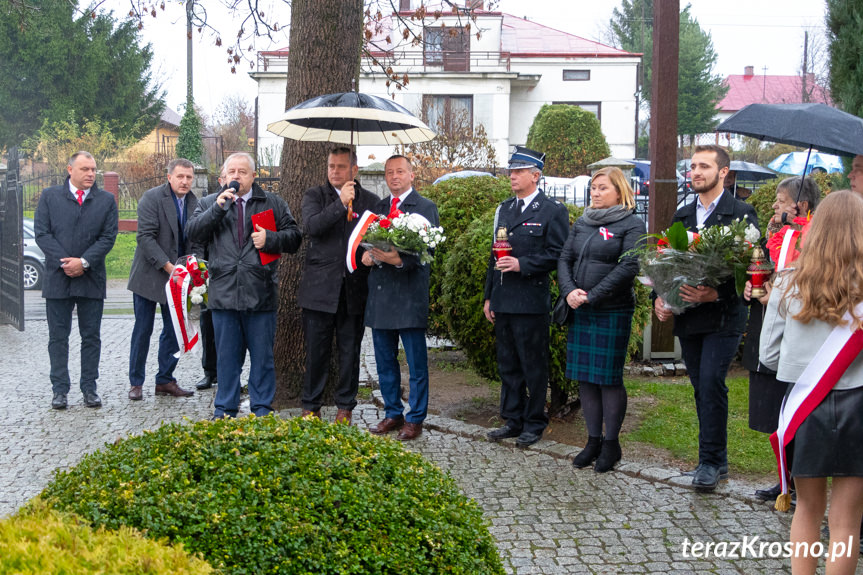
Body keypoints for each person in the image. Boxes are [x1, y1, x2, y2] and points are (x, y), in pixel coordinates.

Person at [760, 191, 863, 575]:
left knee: (807, 508)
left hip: (806, 407)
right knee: (847, 520)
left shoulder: (787, 281)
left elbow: (768, 357)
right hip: (860, 404)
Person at [653, 145, 758, 492]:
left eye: (703, 166)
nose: (695, 172)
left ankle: (711, 463)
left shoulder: (741, 213)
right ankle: (712, 460)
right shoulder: (682, 216)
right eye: (692, 166)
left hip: (724, 316)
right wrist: (662, 298)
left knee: (713, 382)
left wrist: (716, 293)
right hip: (690, 317)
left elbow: (752, 268)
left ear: (723, 172)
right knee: (701, 386)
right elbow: (669, 265)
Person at [186, 152, 302, 418]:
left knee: (262, 359)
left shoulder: (272, 203)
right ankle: (225, 408)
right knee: (227, 358)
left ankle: (261, 408)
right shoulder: (208, 203)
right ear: (224, 177)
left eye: (242, 172)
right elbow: (193, 233)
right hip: (224, 294)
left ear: (253, 176)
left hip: (260, 293)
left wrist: (271, 238)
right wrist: (217, 208)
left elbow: (295, 237)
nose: (236, 176)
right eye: (231, 172)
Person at [557, 167, 645, 472]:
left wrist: (592, 295)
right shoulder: (582, 222)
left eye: (602, 188)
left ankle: (611, 444)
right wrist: (569, 291)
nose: (595, 193)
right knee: (586, 379)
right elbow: (564, 258)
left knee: (608, 379)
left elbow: (629, 266)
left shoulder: (632, 223)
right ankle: (592, 440)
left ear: (619, 192)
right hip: (580, 308)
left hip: (612, 310)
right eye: (593, 188)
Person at [483, 146, 569, 448]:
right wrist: (489, 296)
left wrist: (523, 265)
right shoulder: (504, 209)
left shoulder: (552, 211)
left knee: (533, 365)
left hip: (531, 301)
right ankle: (513, 419)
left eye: (519, 171)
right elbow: (493, 256)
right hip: (504, 298)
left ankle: (534, 423)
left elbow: (558, 254)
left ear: (536, 175)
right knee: (508, 364)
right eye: (511, 171)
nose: (512, 176)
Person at [744, 176, 820, 502]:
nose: (774, 205)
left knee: (798, 407)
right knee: (780, 409)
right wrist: (753, 288)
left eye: (780, 199)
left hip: (800, 332)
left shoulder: (814, 236)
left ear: (800, 206)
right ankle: (784, 478)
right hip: (772, 325)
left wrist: (777, 297)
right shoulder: (777, 234)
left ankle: (803, 483)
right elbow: (765, 270)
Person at [298, 147, 379, 424]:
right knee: (317, 352)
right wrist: (340, 203)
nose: (334, 171)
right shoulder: (314, 196)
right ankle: (311, 405)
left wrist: (373, 255)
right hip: (319, 290)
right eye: (331, 166)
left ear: (354, 170)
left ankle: (345, 405)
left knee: (349, 351)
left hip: (354, 290)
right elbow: (312, 227)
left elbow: (378, 236)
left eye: (341, 167)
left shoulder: (371, 201)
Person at [363, 155, 439, 441]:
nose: (394, 176)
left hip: (409, 295)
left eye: (400, 171)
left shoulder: (425, 207)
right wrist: (369, 255)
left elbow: (427, 254)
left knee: (416, 363)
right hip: (381, 295)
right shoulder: (379, 209)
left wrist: (398, 260)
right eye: (389, 172)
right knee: (384, 361)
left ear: (411, 175)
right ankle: (392, 412)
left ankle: (415, 417)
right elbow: (365, 242)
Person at [34, 151, 118, 409]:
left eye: (93, 169)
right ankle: (59, 390)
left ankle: (89, 388)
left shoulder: (106, 200)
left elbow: (108, 237)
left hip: (91, 278)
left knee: (91, 336)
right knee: (58, 338)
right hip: (58, 279)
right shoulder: (50, 197)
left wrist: (83, 262)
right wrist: (66, 262)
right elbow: (42, 233)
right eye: (85, 169)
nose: (91, 174)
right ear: (70, 169)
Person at [126, 158, 199, 401]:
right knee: (142, 330)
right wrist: (170, 268)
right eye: (180, 176)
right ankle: (136, 382)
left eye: (189, 177)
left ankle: (165, 380)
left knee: (174, 331)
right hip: (149, 276)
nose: (185, 181)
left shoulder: (193, 202)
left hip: (177, 280)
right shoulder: (152, 198)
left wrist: (192, 269)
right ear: (169, 177)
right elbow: (145, 238)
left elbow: (194, 238)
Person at [195, 169, 225, 392]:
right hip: (208, 271)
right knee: (208, 325)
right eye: (227, 175)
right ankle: (209, 371)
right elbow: (196, 233)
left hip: (232, 274)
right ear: (220, 180)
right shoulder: (206, 202)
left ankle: (228, 373)